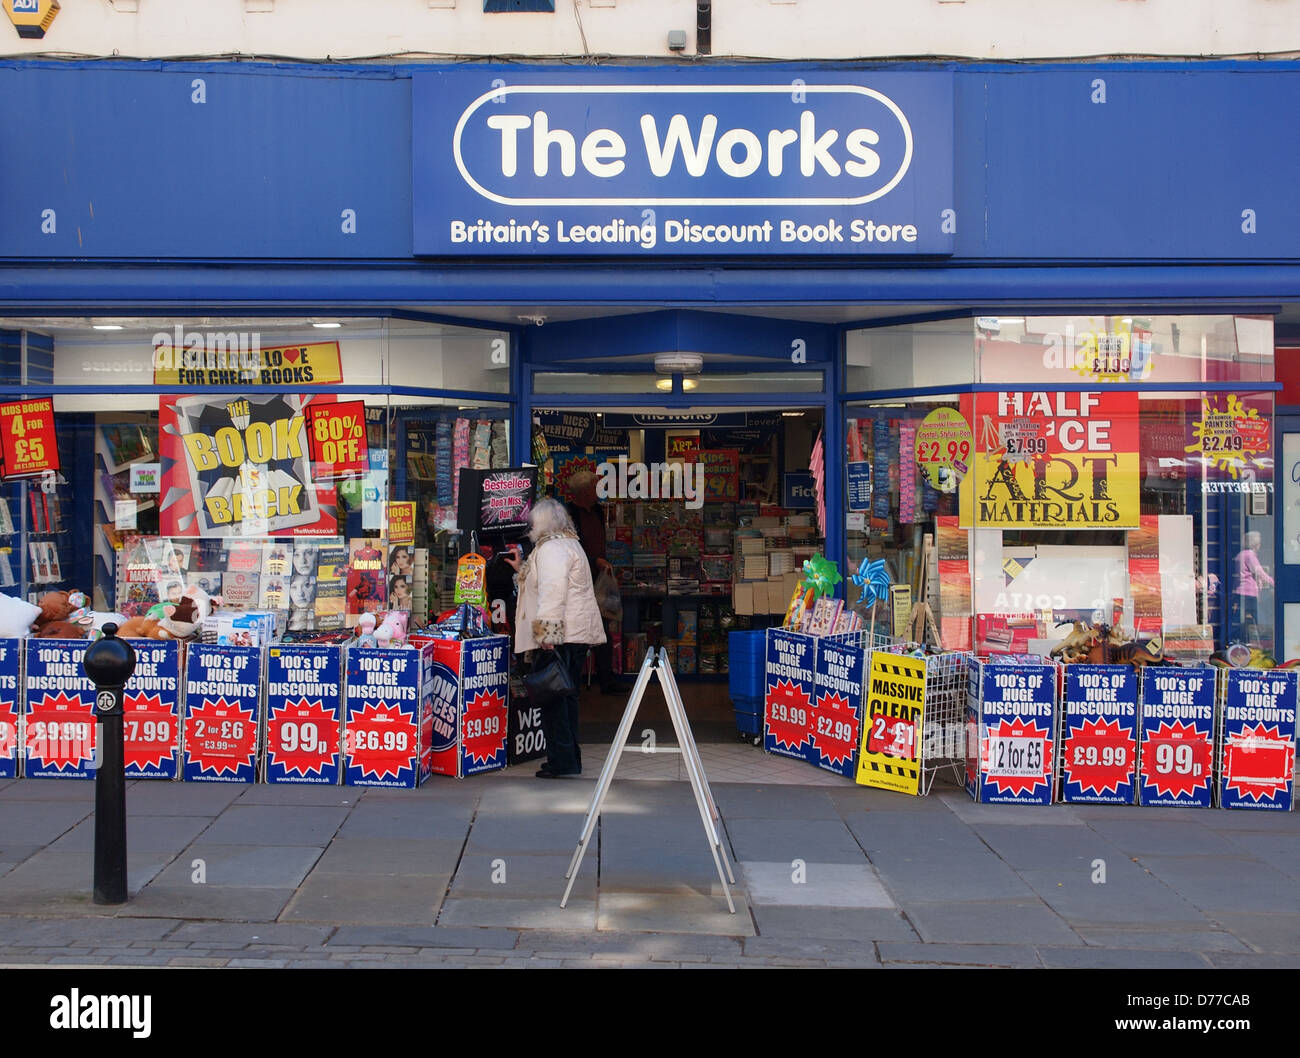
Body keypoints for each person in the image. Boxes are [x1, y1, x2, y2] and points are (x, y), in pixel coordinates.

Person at [506, 497, 607, 778]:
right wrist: (522, 569)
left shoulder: (552, 549)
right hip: (572, 634)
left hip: (559, 636)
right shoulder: (567, 544)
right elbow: (546, 583)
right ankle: (568, 757)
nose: (530, 527)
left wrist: (546, 635)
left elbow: (552, 592)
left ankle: (562, 760)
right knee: (566, 695)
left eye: (534, 521)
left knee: (554, 699)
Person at [564, 469, 619, 694]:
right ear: (584, 492)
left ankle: (607, 680)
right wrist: (593, 560)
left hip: (600, 575)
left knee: (604, 625)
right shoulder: (569, 514)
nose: (598, 491)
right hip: (580, 577)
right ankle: (571, 682)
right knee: (580, 629)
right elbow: (571, 547)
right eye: (594, 488)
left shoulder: (596, 510)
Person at [1233, 530, 1274, 643]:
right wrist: (1274, 582)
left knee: (1243, 619)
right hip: (1249, 592)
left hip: (1240, 591)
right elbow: (1259, 572)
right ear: (1256, 545)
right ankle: (1257, 641)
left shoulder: (1240, 555)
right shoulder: (1250, 555)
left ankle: (1242, 639)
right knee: (1256, 619)